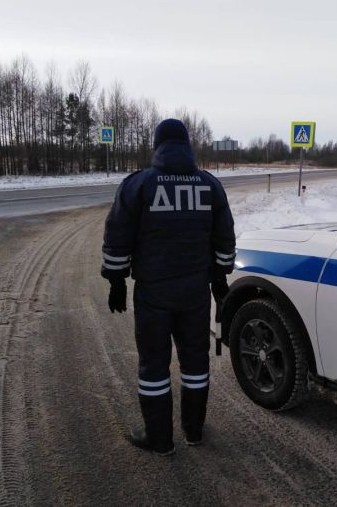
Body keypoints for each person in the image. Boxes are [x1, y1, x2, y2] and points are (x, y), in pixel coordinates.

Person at [100, 118, 235, 455]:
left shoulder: (139, 184)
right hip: (195, 293)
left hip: (154, 294)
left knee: (154, 364)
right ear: (187, 145)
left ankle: (159, 439)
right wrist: (220, 279)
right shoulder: (209, 185)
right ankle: (193, 431)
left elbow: (118, 236)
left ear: (157, 146)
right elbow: (224, 238)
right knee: (195, 361)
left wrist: (116, 280)